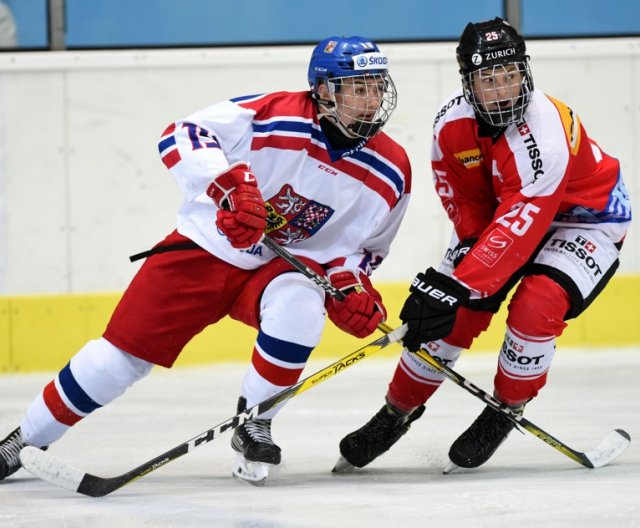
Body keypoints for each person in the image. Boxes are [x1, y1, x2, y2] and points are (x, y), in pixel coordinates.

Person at [0, 36, 411, 485]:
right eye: (357, 87)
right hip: (205, 249)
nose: (370, 100)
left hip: (281, 268)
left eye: (376, 87)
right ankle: (24, 440)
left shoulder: (390, 169)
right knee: (116, 361)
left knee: (301, 308)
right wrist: (228, 185)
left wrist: (350, 287)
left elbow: (361, 250)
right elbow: (182, 134)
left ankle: (254, 422)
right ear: (324, 89)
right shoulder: (275, 115)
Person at [334, 18, 632, 474]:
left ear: (524, 73)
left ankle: (507, 407)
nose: (502, 89)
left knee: (537, 305)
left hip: (583, 221)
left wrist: (463, 282)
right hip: (506, 220)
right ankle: (396, 412)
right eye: (488, 80)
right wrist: (460, 271)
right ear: (468, 83)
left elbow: (523, 222)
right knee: (448, 318)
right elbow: (465, 199)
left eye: (510, 75)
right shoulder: (450, 127)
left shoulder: (545, 135)